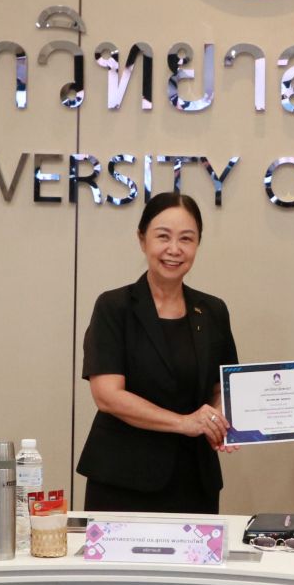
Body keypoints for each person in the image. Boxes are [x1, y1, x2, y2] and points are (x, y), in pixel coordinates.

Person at [76, 192, 238, 514]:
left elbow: (225, 386)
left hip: (195, 481)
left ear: (198, 244)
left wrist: (218, 418)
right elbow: (107, 395)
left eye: (186, 239)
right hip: (124, 480)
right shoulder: (114, 307)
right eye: (163, 236)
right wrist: (184, 422)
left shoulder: (213, 310)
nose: (174, 249)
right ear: (142, 240)